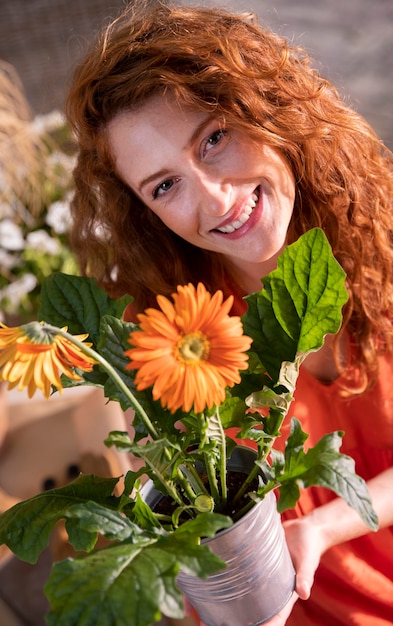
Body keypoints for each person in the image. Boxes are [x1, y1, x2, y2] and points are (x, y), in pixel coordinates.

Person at [64, 1, 393, 624]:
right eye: (165, 185)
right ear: (144, 211)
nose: (216, 199)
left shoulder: (386, 235)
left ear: (268, 110)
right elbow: (191, 522)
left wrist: (323, 525)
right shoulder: (166, 337)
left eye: (213, 139)